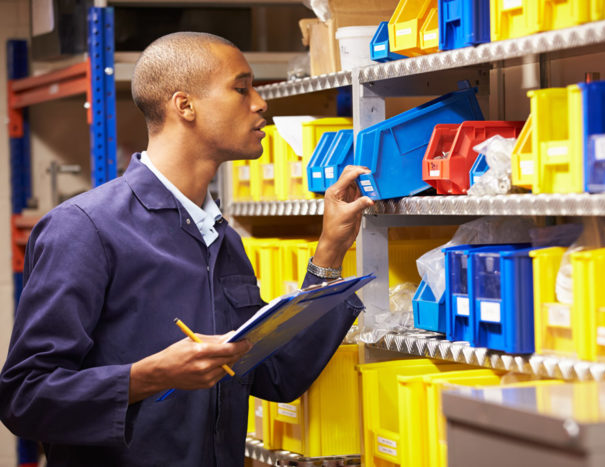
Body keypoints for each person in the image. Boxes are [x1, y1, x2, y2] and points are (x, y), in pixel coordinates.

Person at [0, 32, 373, 466]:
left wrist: (330, 250)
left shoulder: (222, 239)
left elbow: (276, 376)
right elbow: (24, 397)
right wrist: (145, 378)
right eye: (241, 87)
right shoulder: (85, 229)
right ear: (185, 106)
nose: (260, 103)